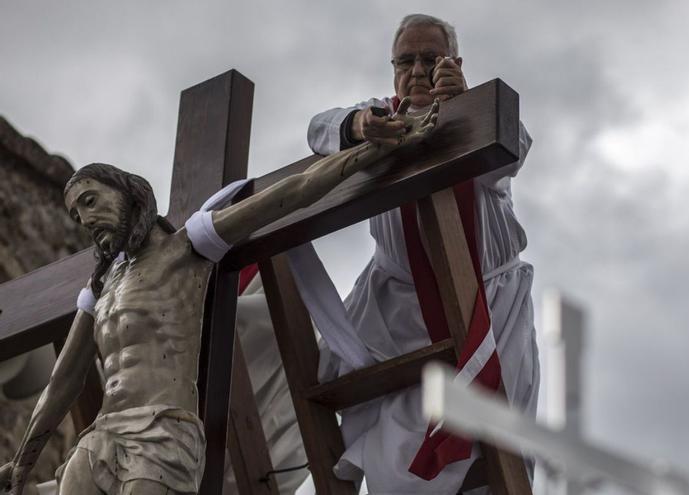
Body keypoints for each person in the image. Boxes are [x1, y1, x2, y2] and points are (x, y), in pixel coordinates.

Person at [0, 102, 437, 495]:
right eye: (77, 214)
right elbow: (63, 381)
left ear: (129, 191)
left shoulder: (186, 248)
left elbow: (291, 194)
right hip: (101, 437)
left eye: (92, 201)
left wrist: (377, 149)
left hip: (159, 433)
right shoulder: (100, 288)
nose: (86, 219)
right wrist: (22, 462)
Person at [307, 13, 539, 494]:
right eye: (406, 60)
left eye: (430, 59)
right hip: (396, 314)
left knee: (491, 447)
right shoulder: (378, 118)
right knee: (388, 439)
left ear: (453, 63)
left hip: (491, 305)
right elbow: (317, 130)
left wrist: (464, 100)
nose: (416, 70)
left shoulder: (479, 112)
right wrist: (357, 126)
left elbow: (515, 148)